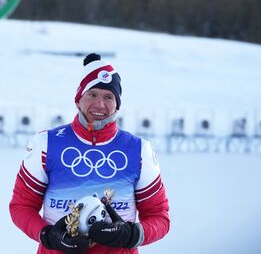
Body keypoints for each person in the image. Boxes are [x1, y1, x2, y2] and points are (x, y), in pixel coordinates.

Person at [9, 53, 170, 253]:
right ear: (78, 99)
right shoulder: (46, 144)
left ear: (117, 104)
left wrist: (132, 234)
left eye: (108, 97)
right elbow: (21, 207)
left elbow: (159, 217)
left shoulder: (138, 150)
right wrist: (48, 236)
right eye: (92, 94)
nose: (100, 104)